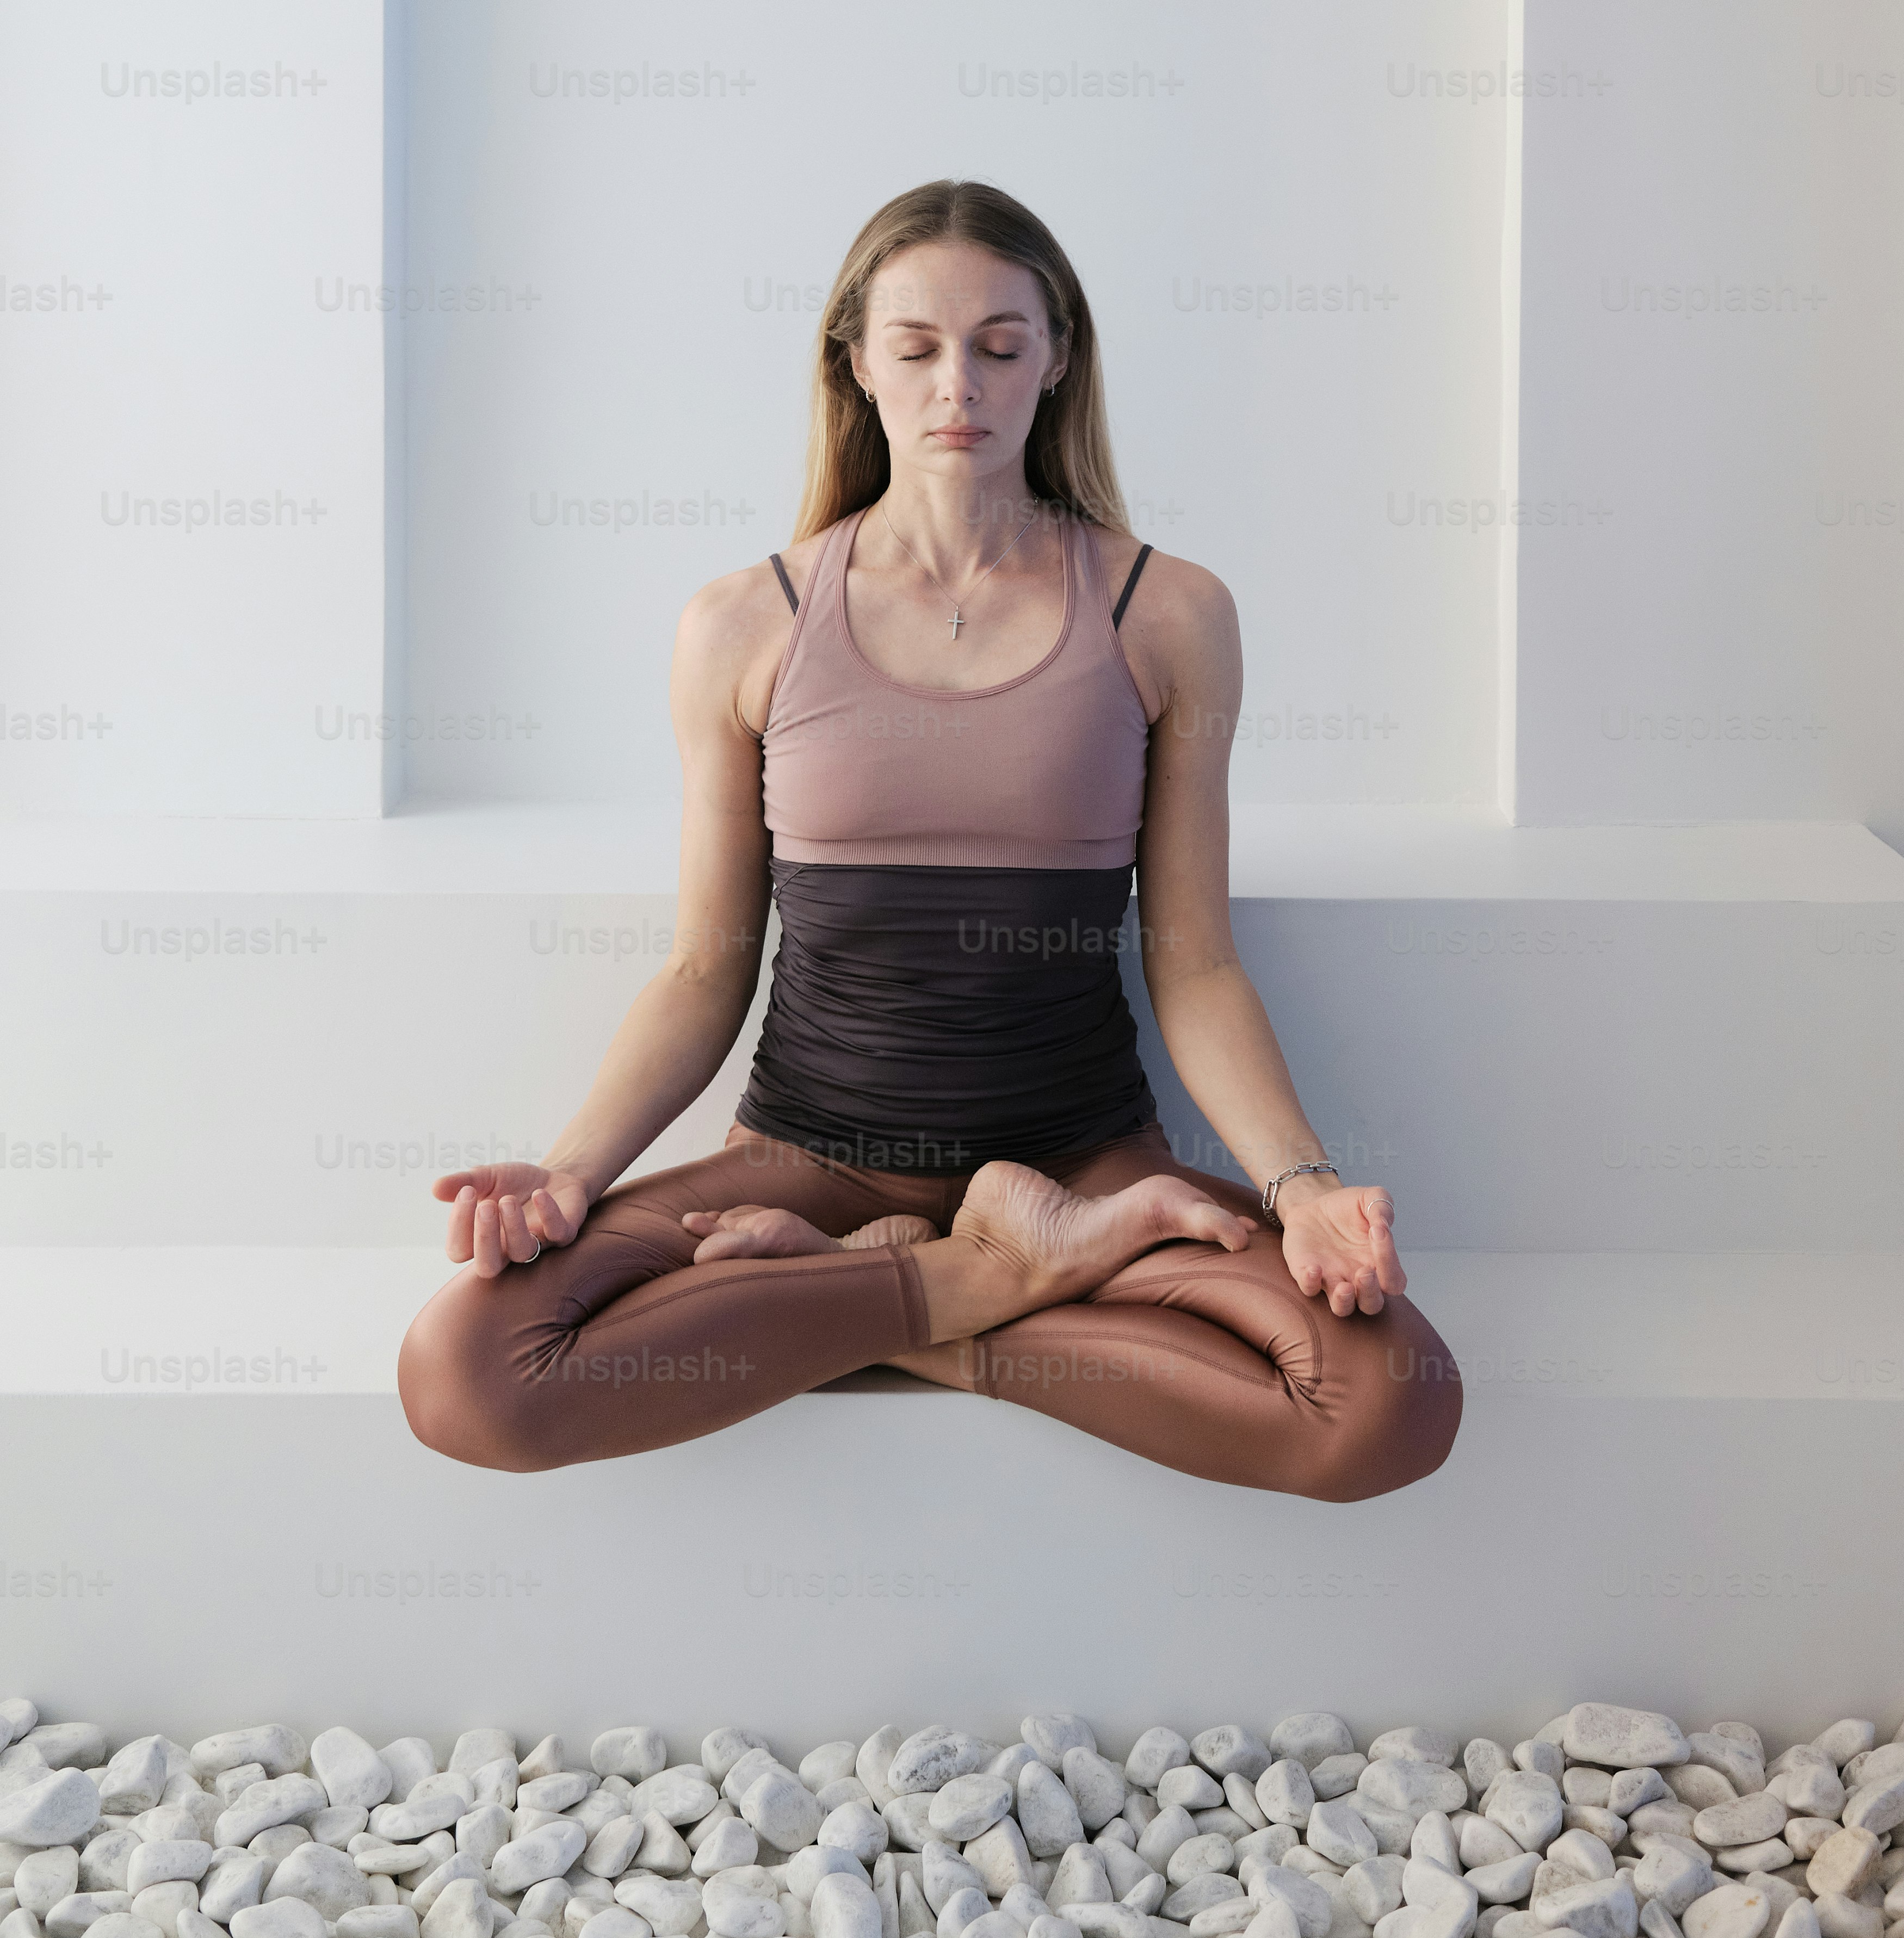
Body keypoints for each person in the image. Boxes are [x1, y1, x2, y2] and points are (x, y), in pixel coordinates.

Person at [397, 180, 1462, 1495]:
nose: (958, 383)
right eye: (914, 349)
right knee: (469, 1373)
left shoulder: (1166, 613)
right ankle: (997, 1266)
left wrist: (1300, 1186)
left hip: (1085, 1161)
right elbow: (701, 969)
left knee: (1381, 1408)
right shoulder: (744, 625)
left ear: (1058, 357)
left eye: (1001, 346)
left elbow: (1193, 964)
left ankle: (900, 1289)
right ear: (854, 362)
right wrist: (567, 1177)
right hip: (806, 1159)